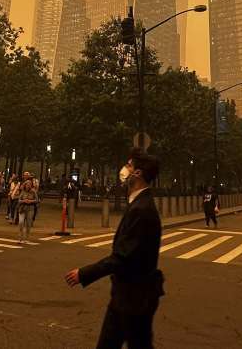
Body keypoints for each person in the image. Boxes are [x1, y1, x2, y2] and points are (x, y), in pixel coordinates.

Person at [66, 149, 164, 349]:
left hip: (134, 298)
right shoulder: (138, 203)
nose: (124, 169)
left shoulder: (142, 210)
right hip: (129, 295)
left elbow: (122, 257)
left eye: (128, 165)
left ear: (137, 173)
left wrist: (84, 273)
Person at [17, 171, 40, 243]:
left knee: (28, 224)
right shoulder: (23, 191)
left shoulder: (33, 192)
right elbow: (19, 200)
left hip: (30, 209)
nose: (28, 186)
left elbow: (37, 200)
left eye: (29, 184)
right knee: (21, 222)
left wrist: (31, 201)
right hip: (22, 209)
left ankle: (27, 237)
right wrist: (24, 201)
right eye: (27, 184)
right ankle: (20, 237)